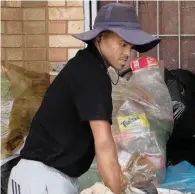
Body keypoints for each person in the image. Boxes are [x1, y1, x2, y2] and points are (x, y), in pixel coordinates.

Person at [7, 3, 160, 194]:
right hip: (40, 179)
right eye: (122, 44)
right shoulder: (91, 73)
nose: (127, 53)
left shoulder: (86, 67)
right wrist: (118, 189)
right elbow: (103, 143)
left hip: (52, 177)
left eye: (130, 47)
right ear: (100, 37)